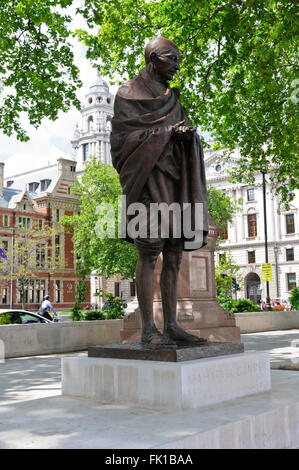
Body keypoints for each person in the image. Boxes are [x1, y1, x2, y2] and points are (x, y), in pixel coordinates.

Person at [111, 37, 209, 346]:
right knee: (149, 250)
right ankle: (148, 330)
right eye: (173, 59)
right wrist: (167, 132)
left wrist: (187, 135)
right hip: (148, 181)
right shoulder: (128, 94)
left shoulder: (172, 98)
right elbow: (121, 144)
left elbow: (186, 130)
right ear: (154, 59)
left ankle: (172, 326)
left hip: (175, 179)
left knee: (175, 252)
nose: (178, 66)